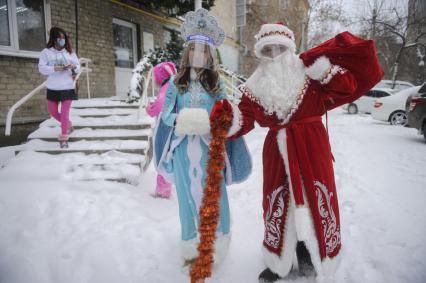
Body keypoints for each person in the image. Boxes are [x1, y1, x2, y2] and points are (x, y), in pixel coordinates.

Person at [219, 23, 383, 283]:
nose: (274, 55)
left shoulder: (309, 72)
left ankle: (313, 253)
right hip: (277, 151)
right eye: (268, 50)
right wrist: (223, 122)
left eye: (280, 48)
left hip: (311, 145)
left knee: (314, 197)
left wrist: (327, 72)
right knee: (278, 200)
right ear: (261, 53)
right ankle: (277, 261)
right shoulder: (254, 86)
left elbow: (346, 88)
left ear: (290, 48)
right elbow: (244, 119)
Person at [153, 8, 252, 269]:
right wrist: (183, 121)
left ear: (210, 54)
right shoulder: (176, 83)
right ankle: (189, 244)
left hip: (210, 148)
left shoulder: (216, 83)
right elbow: (165, 116)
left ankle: (217, 242)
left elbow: (225, 113)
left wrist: (214, 122)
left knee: (215, 195)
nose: (198, 54)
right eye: (194, 49)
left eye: (203, 50)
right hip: (182, 148)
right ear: (188, 52)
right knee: (186, 196)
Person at [38, 27, 80, 148]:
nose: (62, 41)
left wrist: (72, 66)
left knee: (65, 113)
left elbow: (78, 68)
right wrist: (55, 68)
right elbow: (41, 68)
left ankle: (64, 138)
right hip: (53, 87)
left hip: (67, 86)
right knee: (53, 112)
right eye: (59, 38)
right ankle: (68, 124)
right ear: (53, 39)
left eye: (63, 38)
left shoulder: (70, 52)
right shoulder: (46, 52)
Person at [146, 62, 177, 198]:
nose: (154, 80)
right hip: (170, 128)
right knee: (165, 158)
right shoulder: (171, 85)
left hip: (166, 130)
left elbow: (160, 106)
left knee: (162, 158)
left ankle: (163, 192)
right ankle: (164, 189)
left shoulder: (167, 87)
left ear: (161, 76)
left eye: (155, 77)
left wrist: (150, 109)